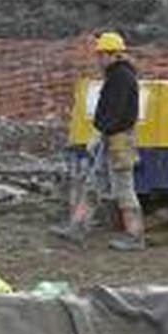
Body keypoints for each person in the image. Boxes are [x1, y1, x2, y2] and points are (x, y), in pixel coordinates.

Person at [54, 32, 145, 250]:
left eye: (102, 55)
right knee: (93, 183)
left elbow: (116, 111)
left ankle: (135, 236)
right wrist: (100, 132)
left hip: (119, 139)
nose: (98, 59)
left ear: (113, 54)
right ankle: (77, 226)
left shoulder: (121, 77)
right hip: (111, 136)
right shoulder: (116, 75)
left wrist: (100, 131)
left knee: (124, 187)